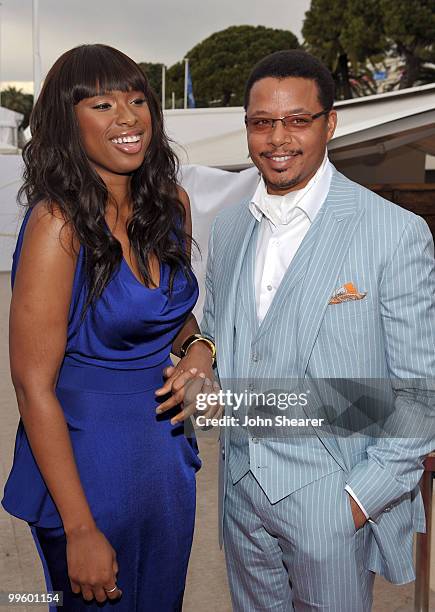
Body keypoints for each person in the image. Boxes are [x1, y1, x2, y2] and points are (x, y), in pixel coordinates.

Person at [161, 50, 435, 610]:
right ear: (246, 129)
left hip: (337, 501)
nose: (277, 138)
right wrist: (202, 359)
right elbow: (216, 331)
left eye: (297, 120)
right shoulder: (233, 226)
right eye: (262, 122)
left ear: (329, 123)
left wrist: (357, 502)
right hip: (239, 495)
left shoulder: (395, 233)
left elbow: (418, 395)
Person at [1, 44, 217, 611]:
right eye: (101, 104)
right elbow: (32, 387)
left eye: (137, 99)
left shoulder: (171, 205)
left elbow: (169, 315)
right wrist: (79, 529)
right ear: (66, 124)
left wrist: (199, 350)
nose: (128, 117)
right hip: (86, 464)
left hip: (164, 459)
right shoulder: (57, 224)